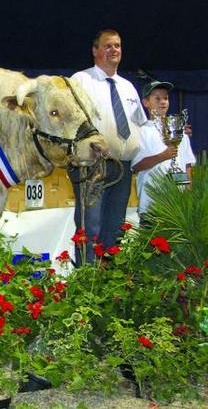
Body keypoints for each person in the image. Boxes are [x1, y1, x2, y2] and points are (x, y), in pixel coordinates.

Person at [70, 29, 147, 264]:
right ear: (95, 51)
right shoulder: (81, 80)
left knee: (115, 228)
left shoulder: (127, 87)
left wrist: (172, 134)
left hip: (122, 167)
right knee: (90, 227)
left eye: (117, 46)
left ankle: (109, 284)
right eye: (108, 46)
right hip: (92, 165)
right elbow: (69, 120)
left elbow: (142, 125)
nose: (114, 50)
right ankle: (86, 281)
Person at [132, 80, 195, 222]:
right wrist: (162, 156)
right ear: (146, 102)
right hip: (151, 203)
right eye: (157, 98)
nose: (163, 102)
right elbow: (136, 165)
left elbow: (187, 165)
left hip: (178, 204)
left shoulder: (180, 130)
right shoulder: (141, 131)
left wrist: (188, 194)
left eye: (166, 98)